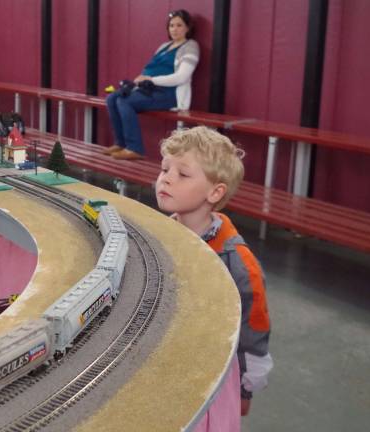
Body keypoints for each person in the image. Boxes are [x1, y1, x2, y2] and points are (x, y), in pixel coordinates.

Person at [155, 127, 273, 427]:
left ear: (215, 192)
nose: (166, 179)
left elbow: (253, 328)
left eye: (183, 174)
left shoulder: (237, 262)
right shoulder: (157, 236)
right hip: (166, 371)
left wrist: (247, 388)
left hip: (212, 378)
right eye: (165, 169)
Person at [105, 9, 199, 160]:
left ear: (188, 27)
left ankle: (135, 148)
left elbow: (182, 77)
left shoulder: (190, 46)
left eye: (179, 25)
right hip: (148, 89)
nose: (174, 29)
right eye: (171, 25)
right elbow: (151, 69)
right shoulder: (164, 46)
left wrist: (151, 80)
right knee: (112, 98)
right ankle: (121, 143)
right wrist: (140, 81)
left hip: (169, 94)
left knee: (124, 101)